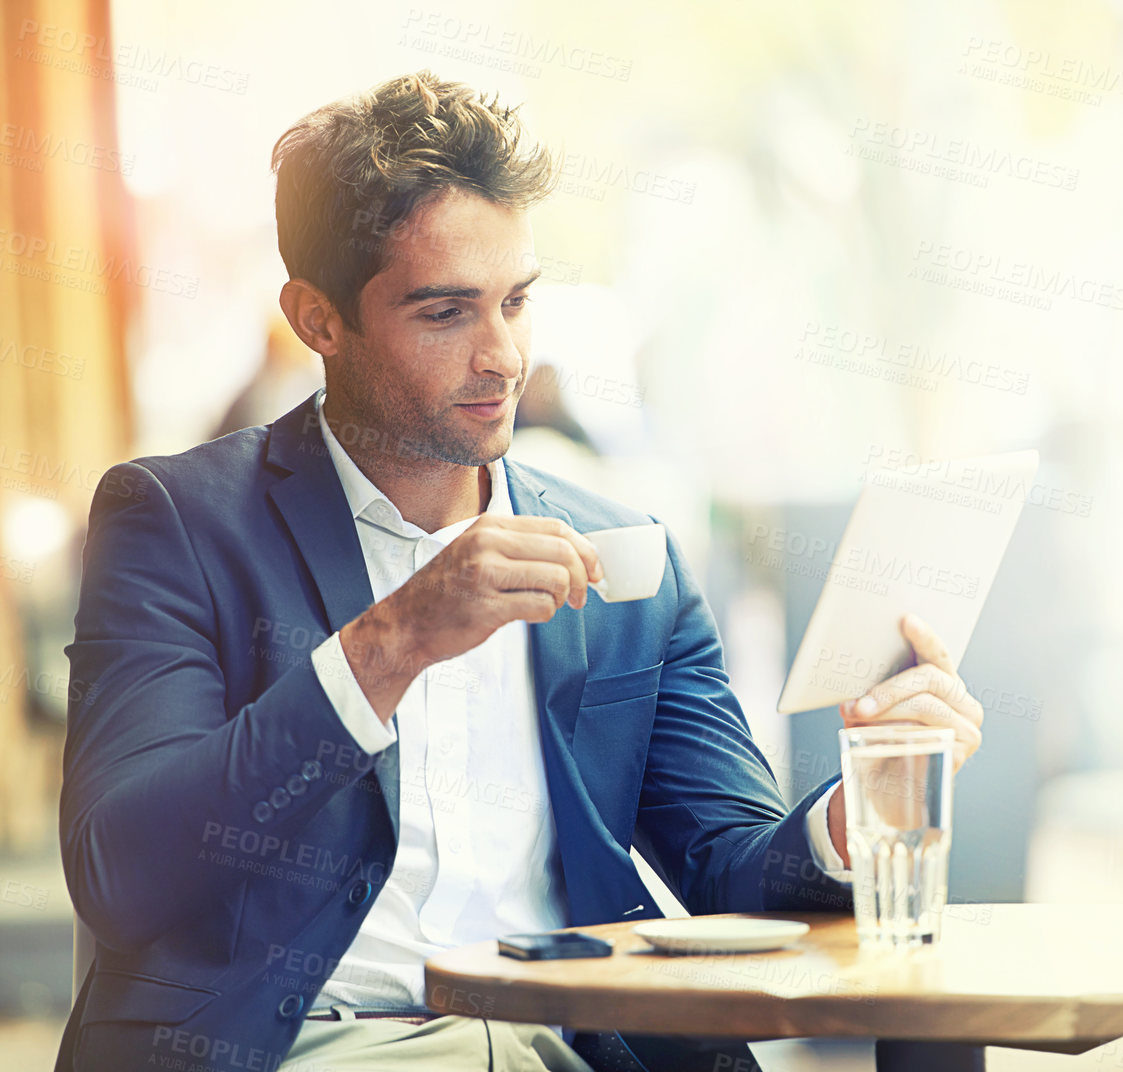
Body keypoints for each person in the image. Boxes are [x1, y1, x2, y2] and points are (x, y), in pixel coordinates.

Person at [56, 71, 986, 1072]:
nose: (504, 355)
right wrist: (391, 643)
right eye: (447, 312)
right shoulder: (180, 524)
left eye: (517, 300)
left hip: (573, 1048)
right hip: (320, 1050)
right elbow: (122, 870)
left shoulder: (626, 557)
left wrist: (857, 814)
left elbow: (734, 874)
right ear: (318, 319)